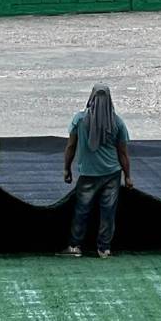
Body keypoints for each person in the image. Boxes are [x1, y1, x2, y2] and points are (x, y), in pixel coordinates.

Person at [60, 84, 133, 259]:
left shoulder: (79, 120)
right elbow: (123, 153)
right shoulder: (117, 122)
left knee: (82, 210)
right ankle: (104, 248)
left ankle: (75, 246)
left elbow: (71, 146)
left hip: (87, 174)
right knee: (108, 211)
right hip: (112, 174)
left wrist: (67, 168)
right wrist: (128, 176)